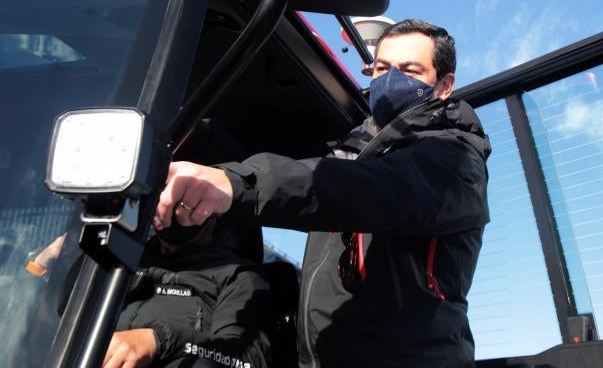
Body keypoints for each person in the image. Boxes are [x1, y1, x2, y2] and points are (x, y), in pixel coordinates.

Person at [156, 19, 491, 367]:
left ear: (445, 86)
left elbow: (365, 187)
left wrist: (239, 183)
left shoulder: (456, 159)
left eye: (410, 70)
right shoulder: (353, 149)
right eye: (381, 68)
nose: (390, 79)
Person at [104, 216, 272, 368]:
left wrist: (160, 340)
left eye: (183, 198)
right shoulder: (122, 257)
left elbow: (248, 359)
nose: (169, 202)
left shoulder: (239, 277)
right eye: (163, 191)